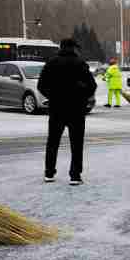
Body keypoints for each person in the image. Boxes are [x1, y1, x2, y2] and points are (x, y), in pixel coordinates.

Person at [38, 38, 96, 185]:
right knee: (76, 143)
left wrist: (52, 96)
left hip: (56, 108)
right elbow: (92, 85)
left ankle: (49, 173)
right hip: (76, 109)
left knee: (53, 142)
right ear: (73, 48)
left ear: (61, 47)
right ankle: (75, 175)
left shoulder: (51, 63)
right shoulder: (80, 63)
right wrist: (81, 96)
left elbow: (41, 85)